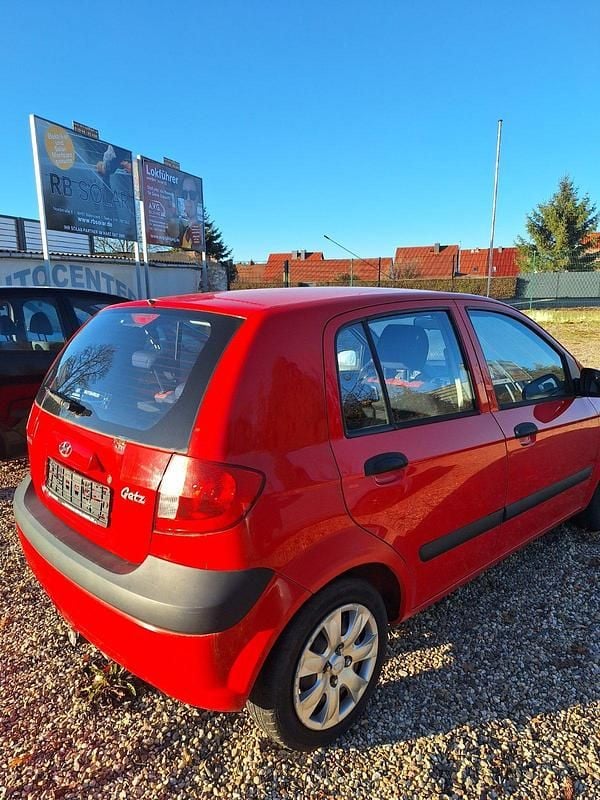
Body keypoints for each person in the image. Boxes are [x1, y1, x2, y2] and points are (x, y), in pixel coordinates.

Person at [178, 176, 204, 250]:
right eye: (185, 194)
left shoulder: (199, 229)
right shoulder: (183, 230)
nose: (188, 199)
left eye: (192, 194)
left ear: (198, 198)